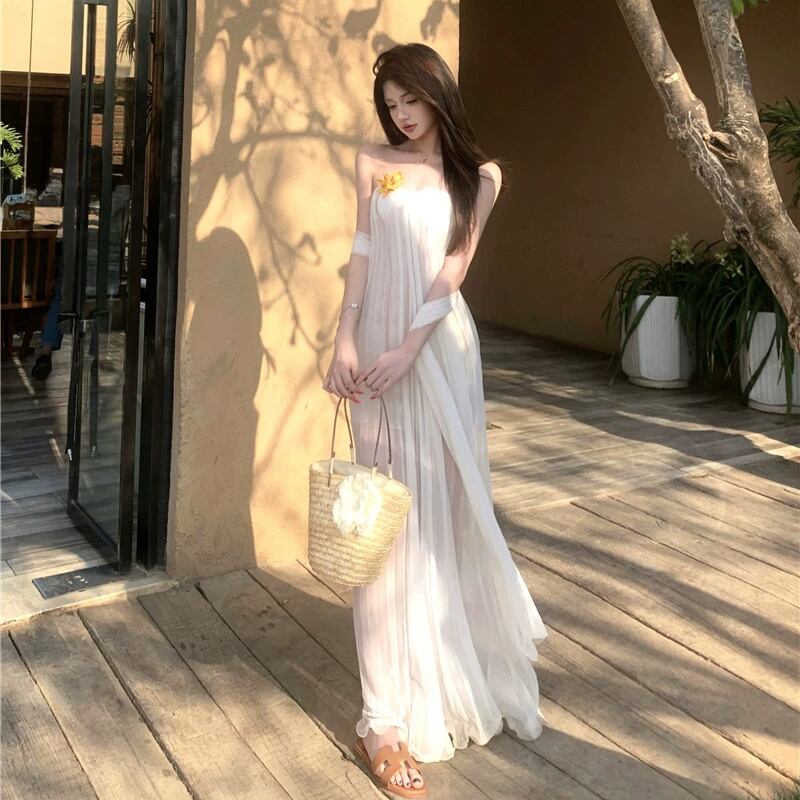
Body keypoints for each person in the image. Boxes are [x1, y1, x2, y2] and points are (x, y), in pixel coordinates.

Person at [322, 43, 548, 798]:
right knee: (379, 530)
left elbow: (454, 269)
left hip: (438, 349)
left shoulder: (480, 176)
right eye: (390, 104)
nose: (401, 115)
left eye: (410, 99)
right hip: (376, 347)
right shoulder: (372, 162)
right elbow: (361, 254)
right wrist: (347, 339)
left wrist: (408, 349)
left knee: (443, 516)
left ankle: (439, 680)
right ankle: (381, 722)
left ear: (437, 93)